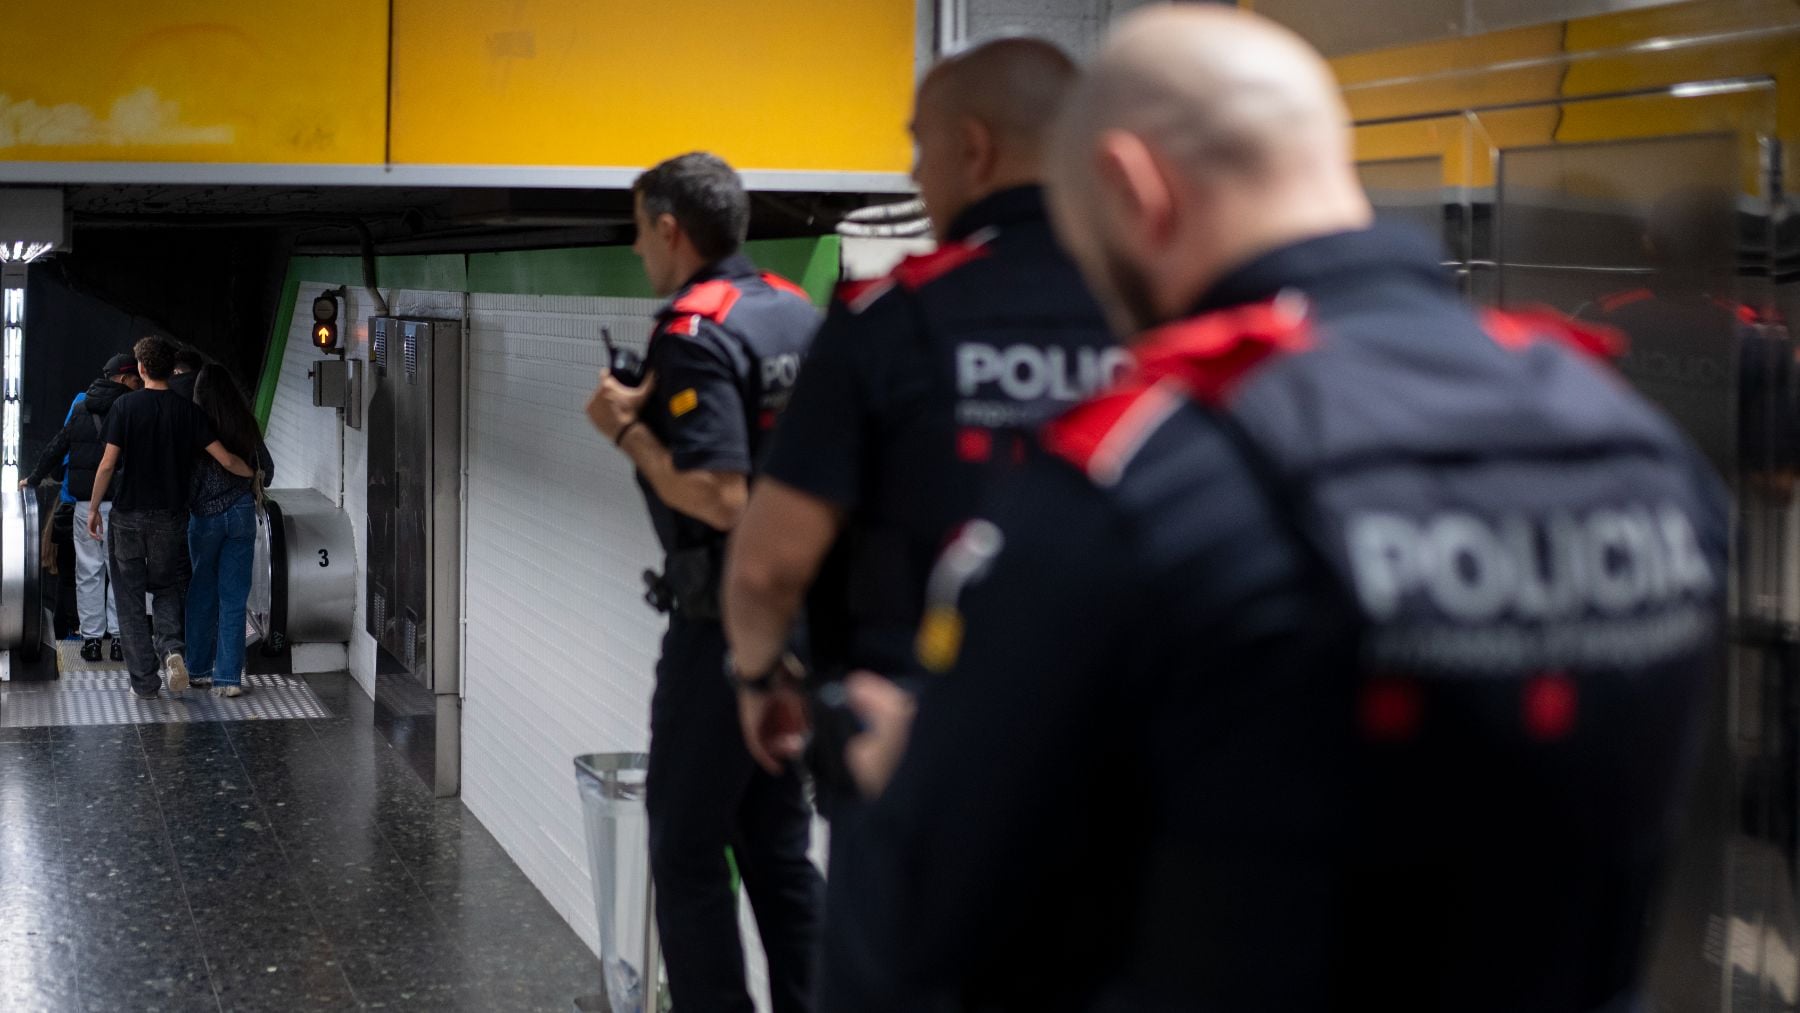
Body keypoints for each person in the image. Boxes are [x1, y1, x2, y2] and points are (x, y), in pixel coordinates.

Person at [834, 7, 1729, 1011]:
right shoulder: (1634, 444)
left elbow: (925, 927)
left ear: (1136, 188)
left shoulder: (1151, 480)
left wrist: (920, 775)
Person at [718, 37, 1119, 1010]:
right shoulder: (1158, 311)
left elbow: (770, 565)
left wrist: (761, 674)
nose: (913, 172)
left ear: (974, 149)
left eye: (920, 145)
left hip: (915, 755)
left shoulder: (891, 320)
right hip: (1124, 768)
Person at [583, 152, 825, 1013]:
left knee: (684, 846)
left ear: (671, 229)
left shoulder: (693, 330)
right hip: (803, 615)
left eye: (642, 227)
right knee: (776, 846)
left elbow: (723, 496)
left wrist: (627, 431)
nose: (640, 245)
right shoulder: (795, 311)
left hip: (723, 621)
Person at [89, 337, 254, 700]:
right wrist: (251, 475)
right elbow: (225, 459)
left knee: (130, 597)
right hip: (171, 517)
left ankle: (146, 683)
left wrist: (92, 509)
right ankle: (174, 652)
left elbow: (107, 464)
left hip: (128, 515)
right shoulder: (188, 412)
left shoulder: (125, 407)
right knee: (166, 588)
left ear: (143, 369)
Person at [21, 353, 141, 661]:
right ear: (125, 379)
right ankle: (118, 639)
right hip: (123, 505)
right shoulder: (131, 410)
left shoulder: (80, 408)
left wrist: (32, 480)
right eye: (136, 380)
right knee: (122, 572)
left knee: (88, 572)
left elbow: (56, 447)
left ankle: (90, 641)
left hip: (85, 504)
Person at [186, 365, 274, 698]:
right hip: (240, 514)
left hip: (205, 519)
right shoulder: (245, 423)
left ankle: (197, 670)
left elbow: (190, 479)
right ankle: (229, 679)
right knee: (234, 598)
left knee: (202, 593)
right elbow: (269, 470)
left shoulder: (197, 424)